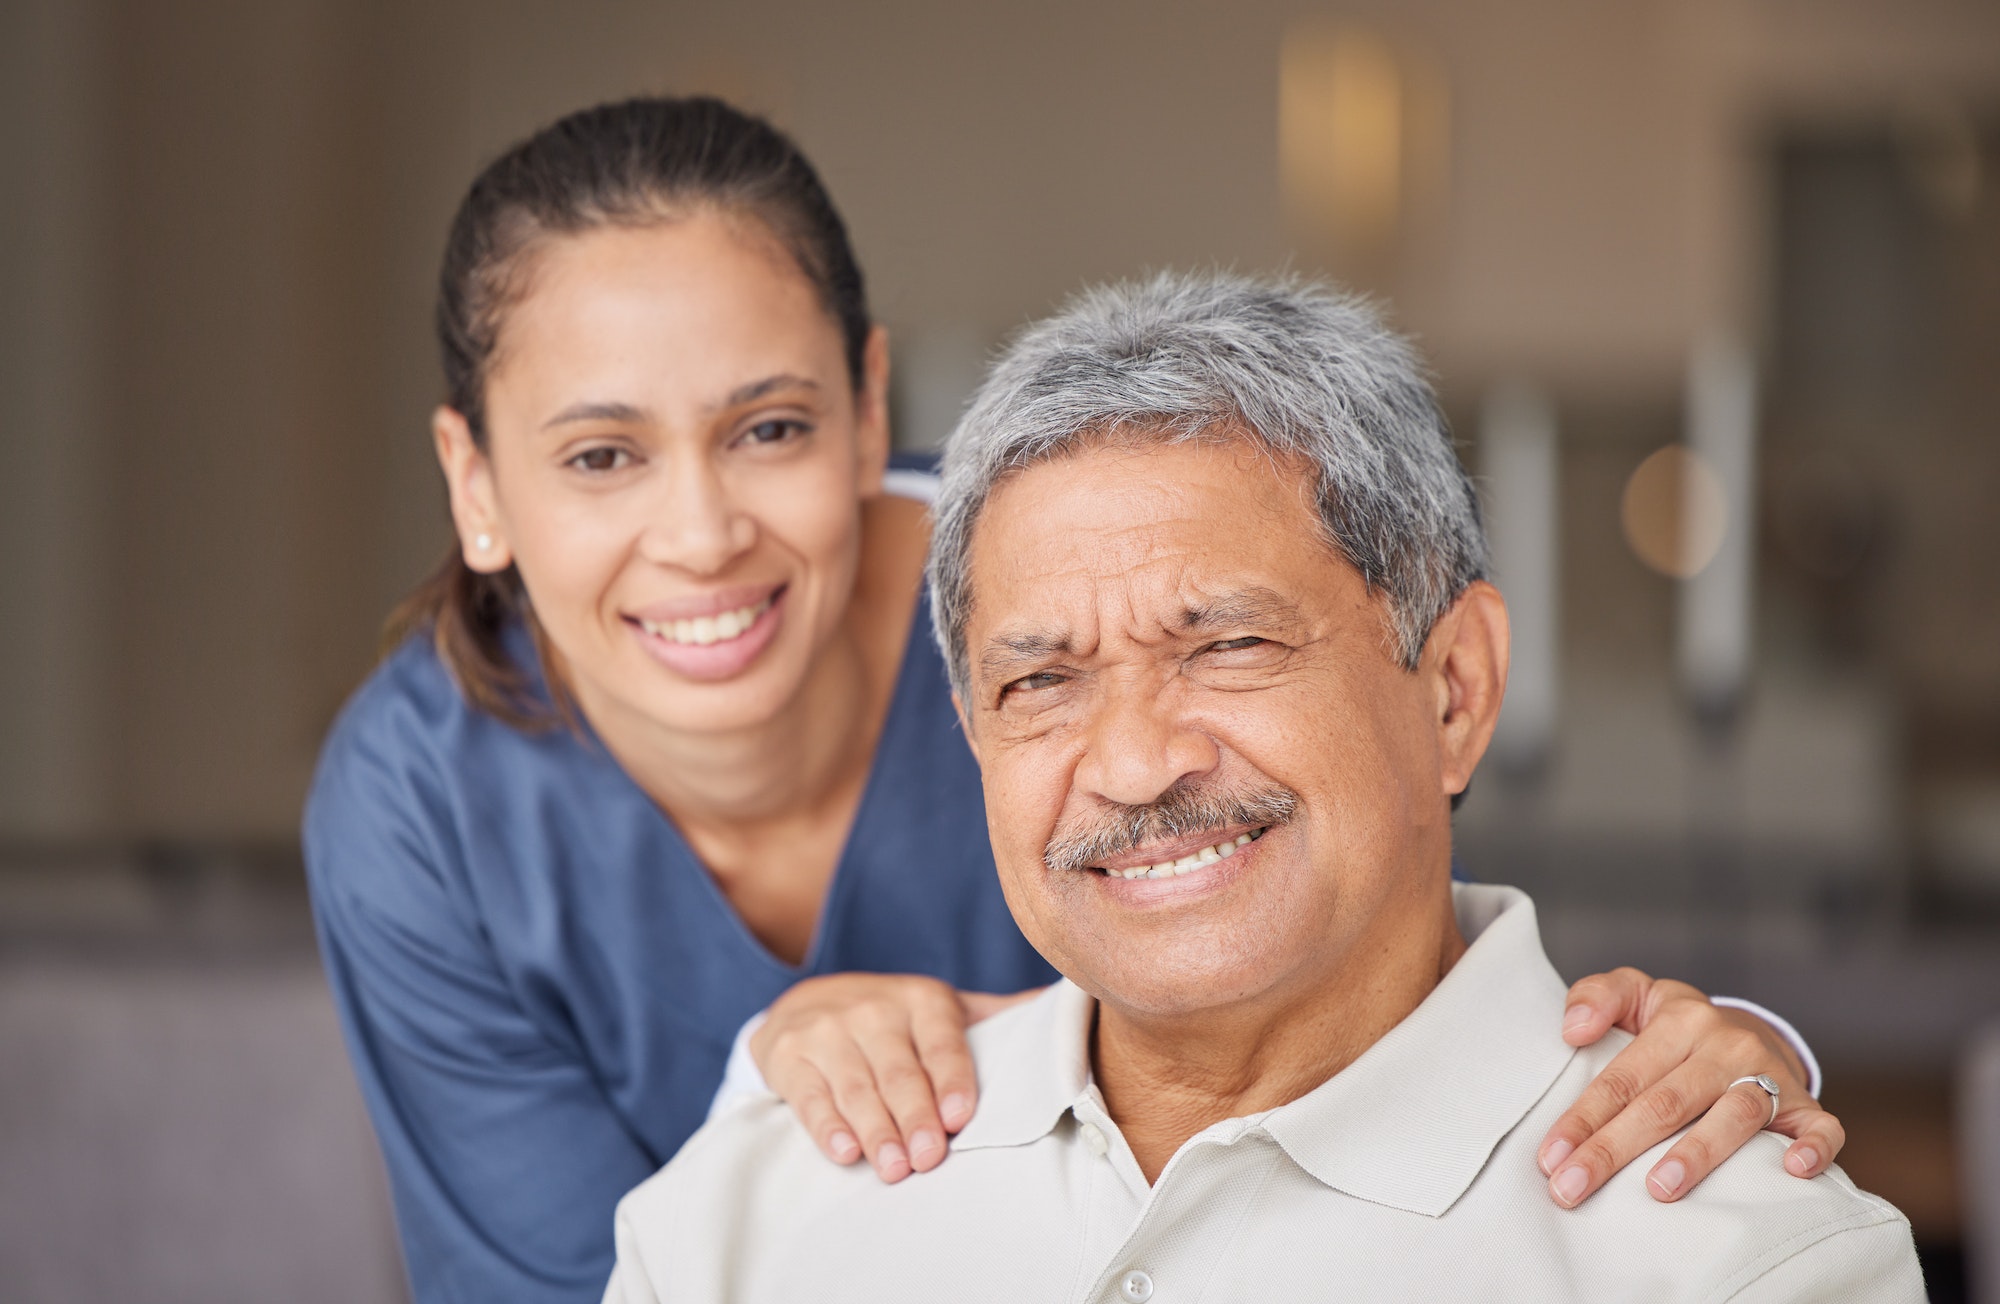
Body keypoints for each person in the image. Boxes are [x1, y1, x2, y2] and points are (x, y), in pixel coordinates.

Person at [303, 97, 1842, 1304]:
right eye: (599, 454)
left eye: (768, 426)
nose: (703, 533)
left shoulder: (1060, 572)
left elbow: (1373, 908)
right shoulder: (420, 809)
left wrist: (1712, 1059)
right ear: (475, 486)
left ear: (864, 412)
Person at [605, 273, 1922, 1303]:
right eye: (1042, 683)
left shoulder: (1742, 1264)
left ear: (1454, 687)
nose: (1131, 764)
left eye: (1228, 644)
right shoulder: (752, 1209)